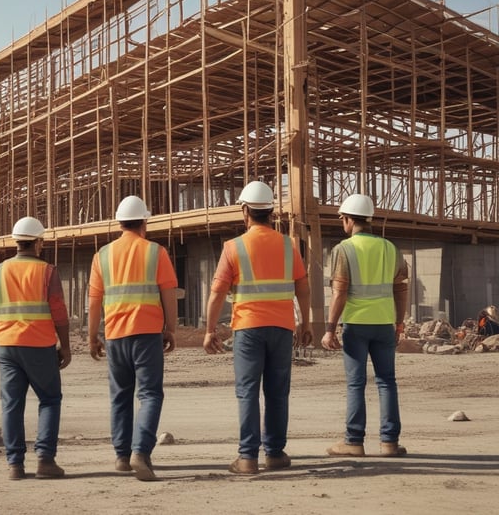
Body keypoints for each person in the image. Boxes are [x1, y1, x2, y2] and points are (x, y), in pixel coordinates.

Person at [203, 181, 312, 475]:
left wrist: (210, 329)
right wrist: (305, 321)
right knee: (277, 392)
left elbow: (217, 292)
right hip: (282, 328)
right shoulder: (289, 246)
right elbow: (302, 286)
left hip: (248, 328)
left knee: (247, 392)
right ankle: (274, 454)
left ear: (245, 211)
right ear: (271, 212)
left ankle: (248, 457)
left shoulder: (234, 247)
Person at [87, 195, 179, 481]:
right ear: (144, 223)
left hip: (115, 335)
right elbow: (168, 293)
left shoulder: (102, 255)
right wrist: (171, 328)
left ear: (119, 223)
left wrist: (92, 336)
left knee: (120, 396)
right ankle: (141, 452)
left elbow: (94, 300)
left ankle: (122, 456)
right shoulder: (156, 252)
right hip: (147, 334)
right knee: (150, 394)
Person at [0, 216, 71, 481]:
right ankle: (45, 460)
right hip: (39, 346)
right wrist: (66, 347)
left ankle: (15, 465)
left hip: (7, 348)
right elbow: (59, 313)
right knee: (49, 400)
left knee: (12, 405)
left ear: (16, 242)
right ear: (38, 242)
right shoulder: (47, 272)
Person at [321, 193, 409, 457]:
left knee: (355, 383)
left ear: (348, 220)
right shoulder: (391, 249)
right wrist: (399, 323)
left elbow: (339, 292)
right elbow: (401, 290)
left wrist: (329, 329)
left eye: (342, 219)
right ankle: (389, 443)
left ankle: (354, 441)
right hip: (384, 324)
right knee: (387, 381)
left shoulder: (343, 249)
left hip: (356, 325)